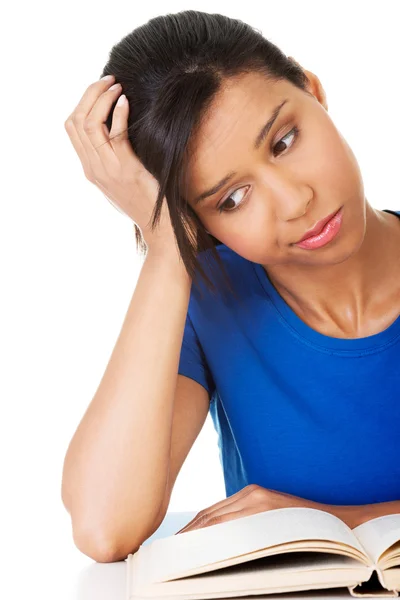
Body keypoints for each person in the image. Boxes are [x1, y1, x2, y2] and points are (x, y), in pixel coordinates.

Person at [61, 10, 400, 563]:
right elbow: (105, 527)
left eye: (285, 141)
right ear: (199, 221)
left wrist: (335, 522)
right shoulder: (210, 306)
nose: (295, 203)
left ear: (312, 90)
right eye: (231, 200)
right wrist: (167, 247)